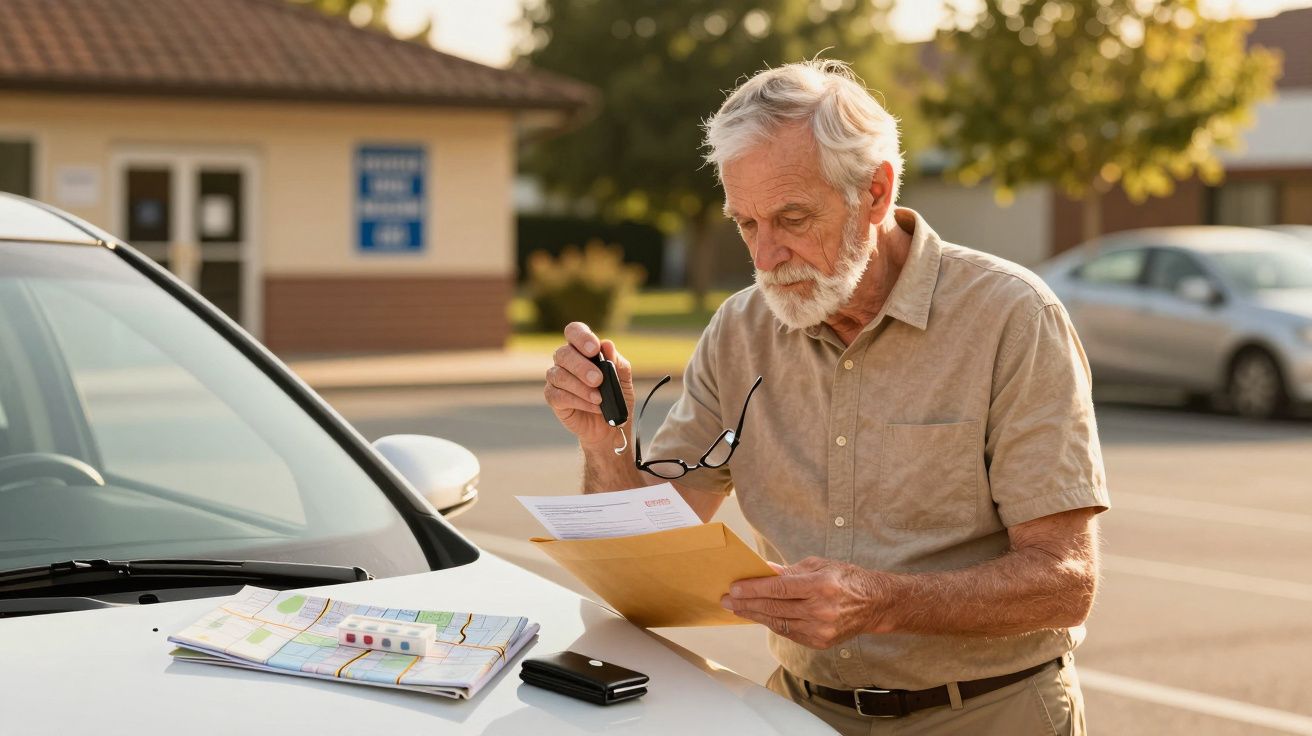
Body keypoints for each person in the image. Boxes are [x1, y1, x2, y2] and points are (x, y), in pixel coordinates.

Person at [542, 59, 1109, 735]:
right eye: (745, 223)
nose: (765, 255)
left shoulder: (1011, 317)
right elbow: (647, 558)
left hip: (991, 714)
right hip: (800, 711)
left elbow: (1065, 582)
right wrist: (606, 441)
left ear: (875, 192)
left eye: (791, 217)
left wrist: (883, 602)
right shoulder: (740, 329)